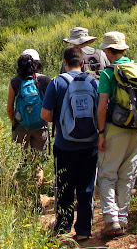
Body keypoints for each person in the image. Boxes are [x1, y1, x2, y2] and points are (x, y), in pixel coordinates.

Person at [41, 46, 99, 241]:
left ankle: (63, 227)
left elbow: (45, 115)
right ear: (83, 64)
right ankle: (83, 229)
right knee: (86, 187)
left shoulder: (56, 83)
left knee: (64, 187)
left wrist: (62, 120)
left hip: (64, 146)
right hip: (90, 145)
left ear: (64, 62)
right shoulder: (93, 83)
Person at [96, 31, 137, 238]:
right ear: (124, 49)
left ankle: (111, 219)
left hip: (115, 128)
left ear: (108, 50)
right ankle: (123, 219)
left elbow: (102, 106)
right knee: (128, 174)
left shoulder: (109, 73)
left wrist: (100, 132)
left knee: (107, 173)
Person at [7, 49, 51, 152]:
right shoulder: (45, 80)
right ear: (37, 64)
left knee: (20, 162)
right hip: (40, 126)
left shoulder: (14, 82)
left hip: (20, 127)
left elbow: (9, 108)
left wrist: (15, 122)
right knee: (38, 163)